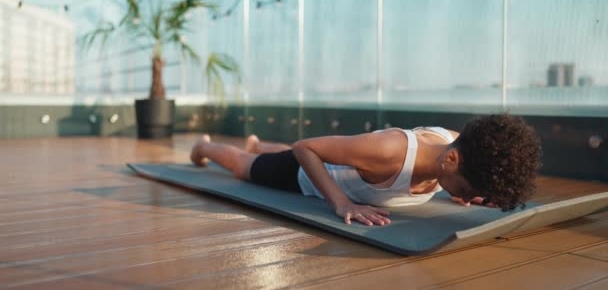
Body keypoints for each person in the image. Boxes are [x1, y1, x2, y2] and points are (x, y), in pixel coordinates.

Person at [190, 114, 542, 226]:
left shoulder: (457, 145)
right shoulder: (390, 151)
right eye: (466, 189)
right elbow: (305, 147)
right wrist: (341, 203)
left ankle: (259, 143)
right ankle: (203, 146)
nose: (467, 196)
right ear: (451, 161)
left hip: (343, 158)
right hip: (306, 174)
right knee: (243, 166)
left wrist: (475, 192)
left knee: (276, 152)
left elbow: (479, 166)